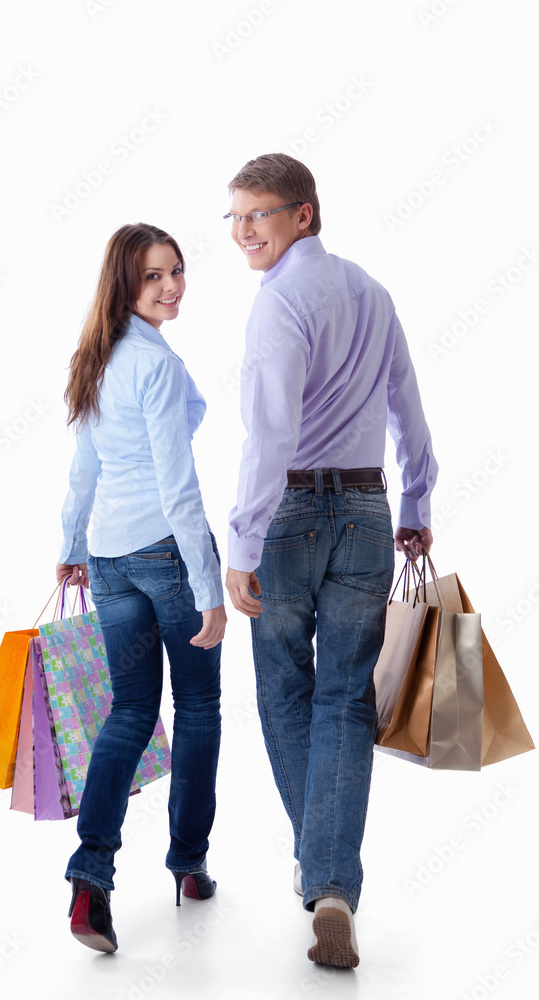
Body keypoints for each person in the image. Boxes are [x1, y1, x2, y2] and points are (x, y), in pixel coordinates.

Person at [223, 154, 437, 969]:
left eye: (259, 215)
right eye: (234, 217)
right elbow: (409, 413)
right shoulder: (372, 294)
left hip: (286, 517)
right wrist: (415, 507)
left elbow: (269, 436)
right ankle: (334, 887)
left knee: (284, 687)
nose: (243, 231)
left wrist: (241, 543)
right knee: (345, 700)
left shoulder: (277, 304)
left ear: (302, 215)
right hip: (365, 516)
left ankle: (321, 872)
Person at [56, 222, 226, 953]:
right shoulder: (153, 366)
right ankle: (188, 865)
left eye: (177, 272)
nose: (170, 287)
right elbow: (178, 485)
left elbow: (83, 474)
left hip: (108, 557)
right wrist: (208, 583)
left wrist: (71, 549)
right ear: (124, 283)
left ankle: (90, 880)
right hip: (164, 550)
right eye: (153, 276)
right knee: (196, 706)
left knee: (128, 713)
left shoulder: (96, 358)